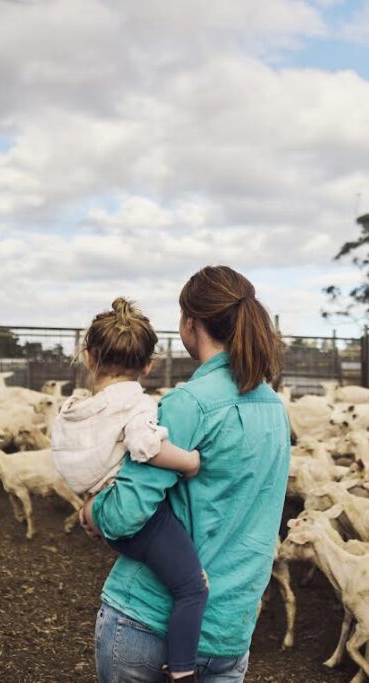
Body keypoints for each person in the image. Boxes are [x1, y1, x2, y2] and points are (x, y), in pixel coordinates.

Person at [82, 265, 291, 683]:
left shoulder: (188, 403)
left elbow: (124, 515)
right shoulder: (275, 410)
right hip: (230, 630)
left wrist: (92, 510)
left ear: (190, 322)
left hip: (148, 622)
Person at [52, 298, 207, 680]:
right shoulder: (136, 404)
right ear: (148, 365)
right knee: (193, 588)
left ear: (89, 357)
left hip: (100, 509)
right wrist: (189, 462)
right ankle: (183, 669)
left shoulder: (73, 412)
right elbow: (145, 447)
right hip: (143, 521)